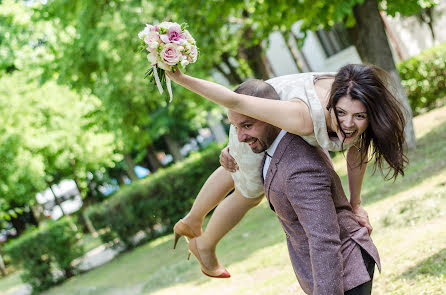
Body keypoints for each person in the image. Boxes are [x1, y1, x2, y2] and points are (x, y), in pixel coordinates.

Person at [169, 64, 407, 278]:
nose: (348, 124)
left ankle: (192, 219)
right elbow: (235, 102)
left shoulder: (357, 95)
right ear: (331, 105)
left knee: (240, 169)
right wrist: (181, 78)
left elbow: (357, 149)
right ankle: (204, 244)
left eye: (359, 117)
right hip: (260, 105)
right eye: (342, 114)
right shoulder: (304, 118)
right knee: (250, 192)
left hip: (279, 98)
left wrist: (356, 204)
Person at [226, 95, 380, 294]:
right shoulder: (275, 141)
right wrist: (231, 152)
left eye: (247, 125)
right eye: (235, 127)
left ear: (270, 114)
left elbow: (324, 240)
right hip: (324, 270)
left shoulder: (299, 168)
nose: (240, 136)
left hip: (344, 269)